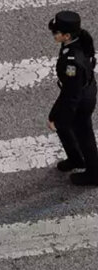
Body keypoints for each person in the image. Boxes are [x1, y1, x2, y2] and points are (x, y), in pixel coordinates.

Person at [48, 11, 98, 186]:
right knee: (64, 127)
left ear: (67, 35)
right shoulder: (76, 40)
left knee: (84, 135)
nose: (53, 35)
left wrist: (57, 117)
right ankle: (76, 159)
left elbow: (72, 95)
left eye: (56, 32)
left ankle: (94, 174)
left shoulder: (72, 62)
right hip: (80, 91)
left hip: (80, 99)